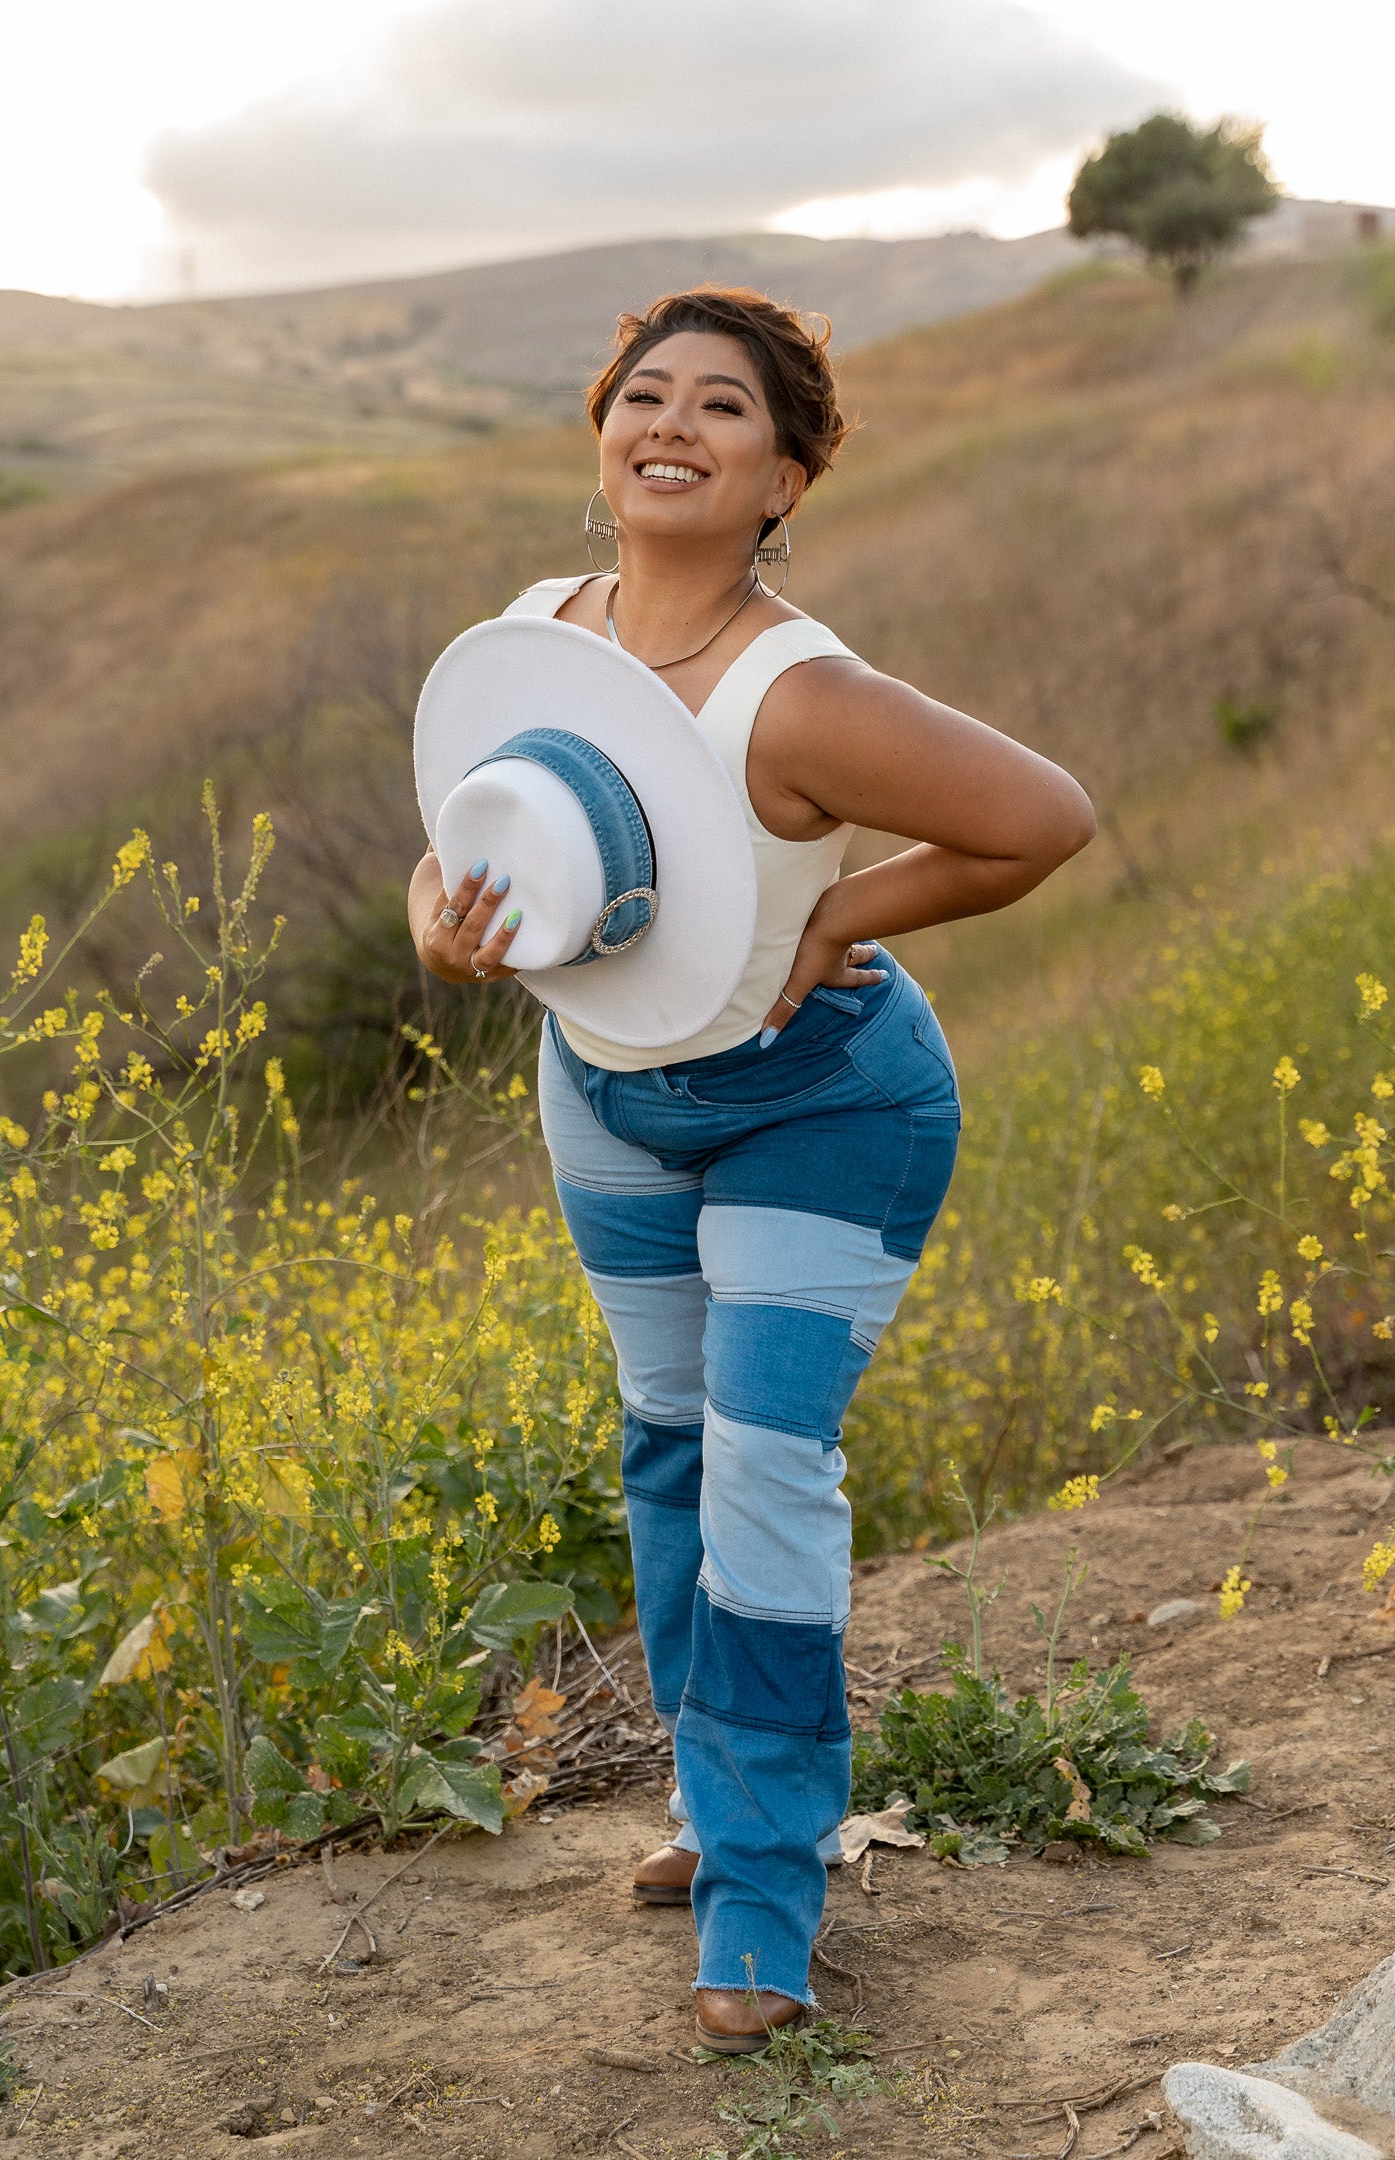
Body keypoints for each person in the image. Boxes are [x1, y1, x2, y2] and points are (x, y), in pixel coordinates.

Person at [408, 287, 1094, 2050]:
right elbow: (465, 863)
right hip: (607, 1096)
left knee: (767, 1473)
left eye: (724, 408)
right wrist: (444, 921)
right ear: (602, 434)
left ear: (783, 474)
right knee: (670, 1453)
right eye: (647, 395)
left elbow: (1042, 819)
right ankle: (718, 1805)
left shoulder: (802, 694)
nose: (675, 426)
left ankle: (765, 1898)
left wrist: (836, 916)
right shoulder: (536, 637)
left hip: (825, 1103)